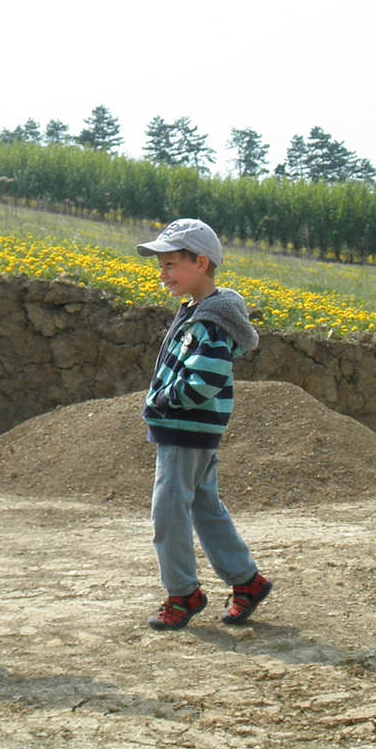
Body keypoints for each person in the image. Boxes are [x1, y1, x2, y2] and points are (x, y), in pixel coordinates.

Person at [136, 218, 271, 631]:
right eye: (160, 266)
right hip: (189, 431)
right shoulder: (198, 312)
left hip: (185, 432)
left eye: (170, 265)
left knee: (168, 513)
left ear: (200, 262)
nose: (163, 275)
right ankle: (247, 582)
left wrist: (161, 401)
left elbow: (206, 381)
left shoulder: (210, 322)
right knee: (203, 506)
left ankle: (183, 594)